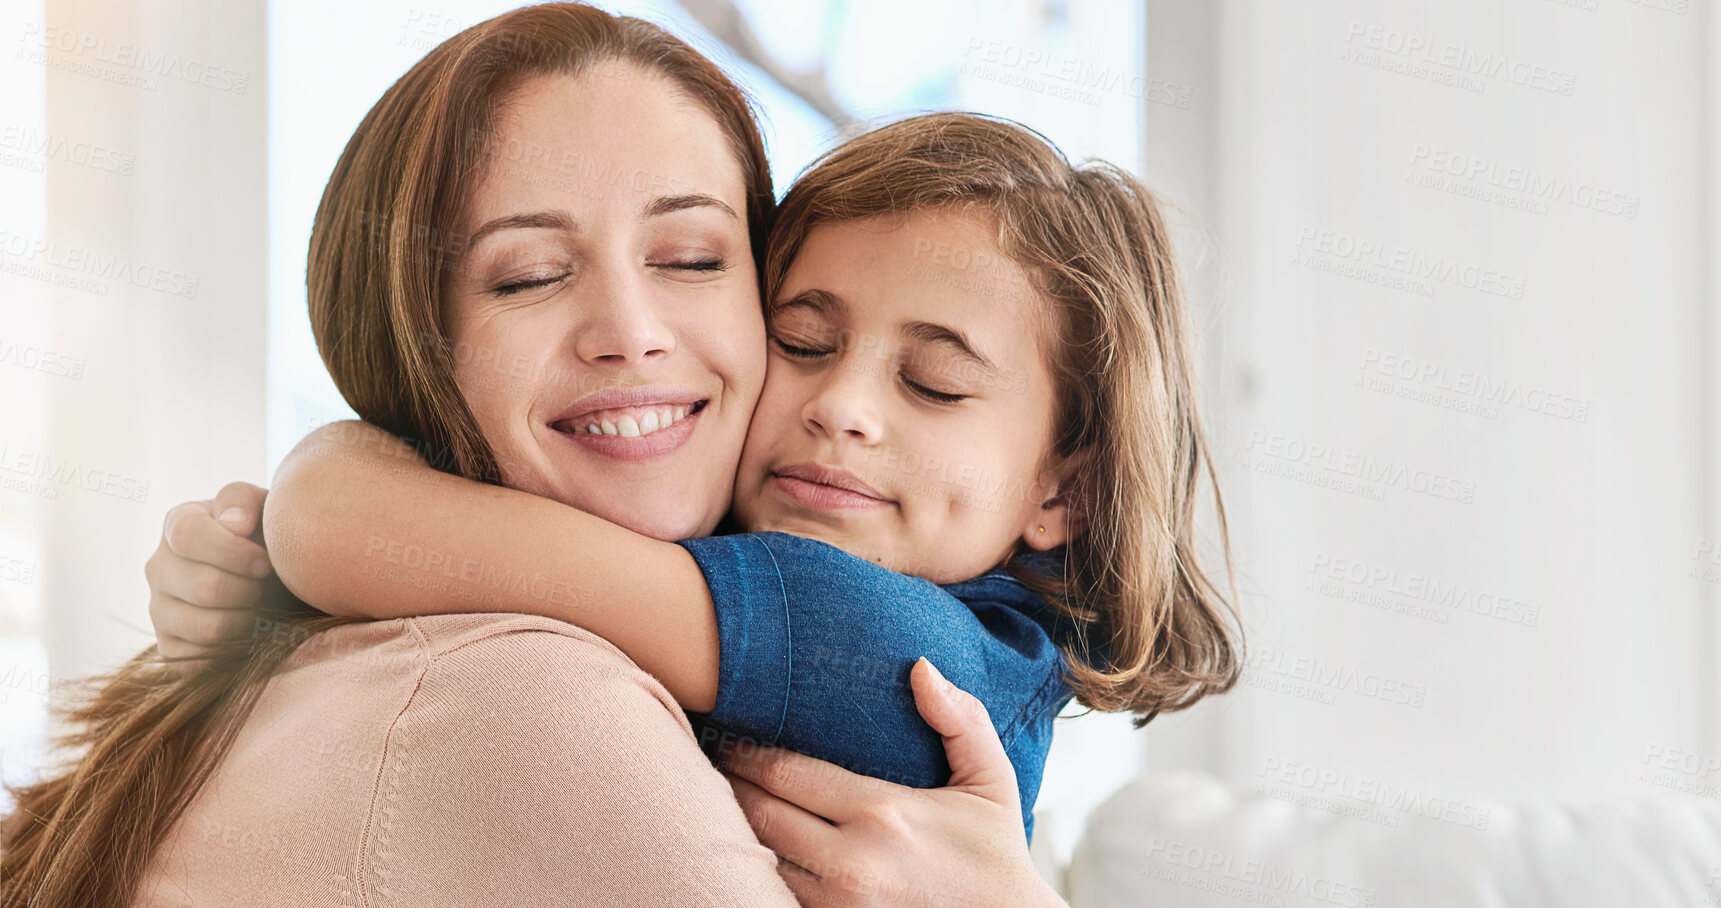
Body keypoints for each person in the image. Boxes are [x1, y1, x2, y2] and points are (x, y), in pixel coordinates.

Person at [0, 7, 1088, 906]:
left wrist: (324, 496)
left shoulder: (906, 645)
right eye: (526, 275)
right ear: (406, 336)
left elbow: (346, 523)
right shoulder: (534, 705)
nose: (632, 328)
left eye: (694, 255)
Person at [153, 112, 1241, 845]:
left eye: (935, 382)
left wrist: (302, 504)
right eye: (803, 342)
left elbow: (349, 524)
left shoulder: (912, 658)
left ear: (1066, 493)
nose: (842, 405)